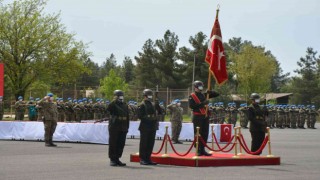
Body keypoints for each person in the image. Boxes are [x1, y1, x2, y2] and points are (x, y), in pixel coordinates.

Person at [188, 80, 219, 156]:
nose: (201, 87)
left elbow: (217, 94)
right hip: (197, 117)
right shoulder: (192, 96)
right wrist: (203, 104)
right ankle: (198, 149)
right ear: (195, 87)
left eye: (201, 85)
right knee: (198, 133)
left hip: (205, 116)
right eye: (199, 86)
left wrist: (210, 92)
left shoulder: (203, 95)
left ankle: (203, 149)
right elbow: (192, 106)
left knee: (205, 133)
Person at [138, 89, 161, 165]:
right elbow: (140, 116)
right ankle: (142, 158)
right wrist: (149, 119)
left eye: (151, 95)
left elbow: (160, 112)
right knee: (144, 143)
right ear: (144, 96)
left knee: (151, 143)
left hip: (152, 126)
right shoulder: (142, 104)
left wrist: (157, 102)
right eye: (148, 95)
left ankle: (148, 158)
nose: (150, 97)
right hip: (145, 126)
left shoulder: (153, 104)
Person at [106, 90, 129, 166]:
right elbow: (108, 109)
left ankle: (117, 158)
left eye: (122, 96)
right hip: (115, 126)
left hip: (123, 126)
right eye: (119, 96)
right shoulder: (113, 104)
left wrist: (127, 127)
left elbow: (127, 116)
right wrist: (114, 100)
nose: (121, 97)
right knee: (113, 143)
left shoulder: (124, 105)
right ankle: (112, 159)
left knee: (121, 143)